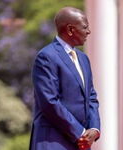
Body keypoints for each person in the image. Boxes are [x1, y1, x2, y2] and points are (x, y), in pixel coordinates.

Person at [29, 7, 100, 150]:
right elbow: (50, 102)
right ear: (70, 30)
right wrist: (80, 133)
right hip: (53, 142)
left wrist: (94, 128)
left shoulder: (83, 58)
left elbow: (91, 96)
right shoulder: (47, 57)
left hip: (80, 143)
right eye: (85, 27)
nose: (88, 32)